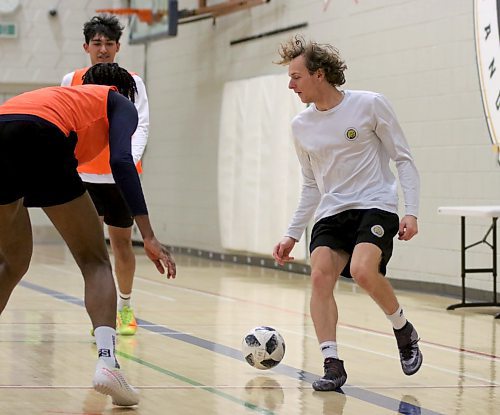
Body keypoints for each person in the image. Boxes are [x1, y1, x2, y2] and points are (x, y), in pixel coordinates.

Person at [0, 64, 176, 406]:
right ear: (124, 92)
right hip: (41, 138)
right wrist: (149, 235)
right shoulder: (117, 102)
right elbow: (123, 162)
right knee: (94, 260)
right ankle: (108, 362)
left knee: (11, 261)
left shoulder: (59, 97)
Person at [272, 36, 423, 392]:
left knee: (361, 270)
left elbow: (403, 158)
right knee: (320, 277)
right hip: (332, 211)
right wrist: (292, 233)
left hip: (375, 205)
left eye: (296, 77)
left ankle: (403, 329)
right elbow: (311, 185)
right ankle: (332, 364)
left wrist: (412, 211)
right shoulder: (301, 126)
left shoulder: (370, 105)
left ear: (319, 74)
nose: (290, 84)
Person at [61, 14, 149, 336]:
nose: (102, 49)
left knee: (121, 245)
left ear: (118, 47)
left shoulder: (132, 82)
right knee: (92, 250)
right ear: (86, 46)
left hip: (119, 177)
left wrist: (125, 162)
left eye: (108, 43)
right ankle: (101, 317)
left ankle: (125, 306)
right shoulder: (72, 79)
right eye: (96, 44)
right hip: (83, 177)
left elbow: (142, 126)